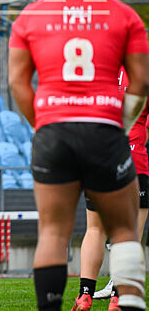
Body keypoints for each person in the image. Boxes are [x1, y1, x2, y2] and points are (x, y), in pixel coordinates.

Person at [8, 0, 149, 311]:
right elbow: (140, 82)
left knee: (53, 231)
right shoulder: (124, 16)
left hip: (54, 131)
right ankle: (129, 304)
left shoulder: (32, 15)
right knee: (124, 229)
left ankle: (57, 304)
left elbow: (18, 84)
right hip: (104, 129)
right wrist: (121, 124)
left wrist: (43, 124)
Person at [75, 69, 149, 311]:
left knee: (94, 229)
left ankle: (85, 295)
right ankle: (118, 297)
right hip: (134, 159)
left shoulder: (98, 66)